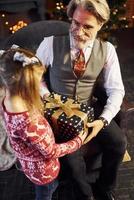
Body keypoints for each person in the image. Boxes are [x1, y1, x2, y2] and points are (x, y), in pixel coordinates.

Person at [36, 0, 127, 200]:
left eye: (87, 27)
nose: (78, 31)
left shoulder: (107, 50)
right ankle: (86, 195)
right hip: (59, 113)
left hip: (90, 108)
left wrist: (102, 120)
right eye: (76, 23)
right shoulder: (49, 44)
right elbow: (35, 78)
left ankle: (105, 187)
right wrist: (48, 97)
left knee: (119, 143)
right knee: (71, 159)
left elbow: (116, 90)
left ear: (101, 25)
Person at [0, 46, 89, 200]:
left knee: (47, 188)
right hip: (44, 173)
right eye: (37, 82)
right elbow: (52, 152)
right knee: (45, 193)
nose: (39, 85)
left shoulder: (6, 98)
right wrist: (78, 141)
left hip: (31, 166)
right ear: (25, 87)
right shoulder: (30, 124)